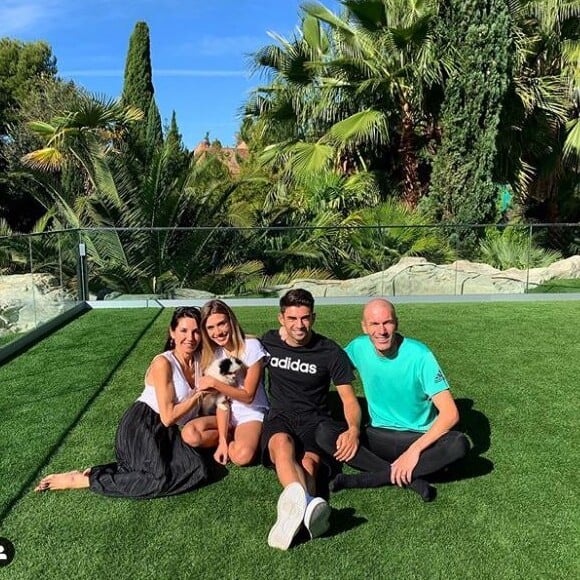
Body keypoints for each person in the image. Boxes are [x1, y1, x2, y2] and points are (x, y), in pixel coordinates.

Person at [35, 307, 208, 498]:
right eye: (183, 330)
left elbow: (233, 345)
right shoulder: (163, 363)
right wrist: (198, 395)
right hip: (143, 425)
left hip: (169, 433)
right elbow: (167, 417)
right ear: (172, 332)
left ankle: (99, 471)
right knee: (158, 479)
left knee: (196, 469)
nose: (190, 337)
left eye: (196, 331)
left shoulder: (200, 360)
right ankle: (82, 480)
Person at [316, 298, 470, 500]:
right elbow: (326, 369)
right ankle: (411, 476)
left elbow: (450, 414)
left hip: (418, 437)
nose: (382, 331)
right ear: (364, 327)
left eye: (387, 322)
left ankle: (369, 478)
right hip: (377, 435)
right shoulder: (358, 348)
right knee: (324, 433)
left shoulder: (420, 355)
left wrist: (413, 451)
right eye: (374, 324)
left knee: (458, 444)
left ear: (396, 323)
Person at [260, 288, 362, 550]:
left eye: (305, 318)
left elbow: (349, 400)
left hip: (315, 422)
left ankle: (293, 513)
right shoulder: (268, 342)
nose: (299, 325)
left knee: (309, 462)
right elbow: (239, 355)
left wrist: (353, 429)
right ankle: (308, 506)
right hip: (280, 418)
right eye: (292, 318)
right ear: (281, 318)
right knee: (282, 445)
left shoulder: (330, 352)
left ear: (313, 317)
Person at [190, 299, 269, 466]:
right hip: (227, 413)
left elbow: (248, 396)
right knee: (190, 434)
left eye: (221, 324)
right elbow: (222, 402)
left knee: (242, 457)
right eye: (210, 327)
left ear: (231, 322)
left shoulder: (251, 346)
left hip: (251, 412)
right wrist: (223, 441)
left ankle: (243, 438)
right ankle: (229, 436)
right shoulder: (215, 354)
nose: (217, 332)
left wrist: (214, 382)